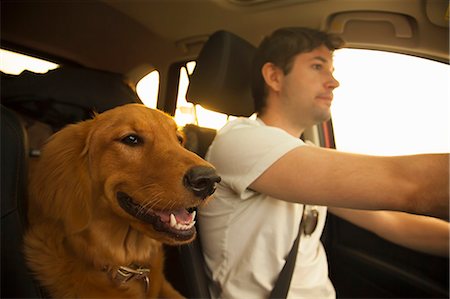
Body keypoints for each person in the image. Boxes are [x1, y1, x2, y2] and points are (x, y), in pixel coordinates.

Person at [197, 27, 449, 299]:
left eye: (332, 70)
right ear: (274, 77)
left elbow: (389, 221)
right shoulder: (241, 140)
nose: (333, 82)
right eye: (318, 67)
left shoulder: (303, 154)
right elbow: (408, 185)